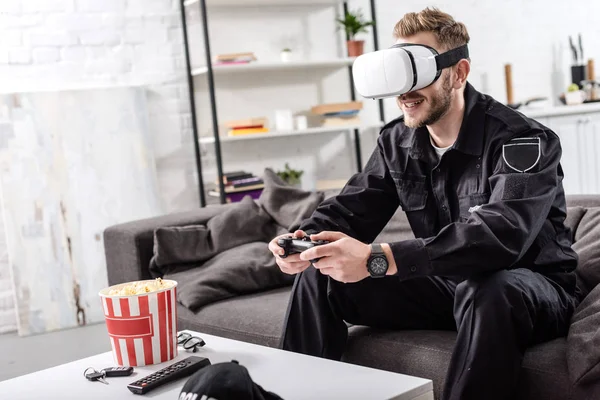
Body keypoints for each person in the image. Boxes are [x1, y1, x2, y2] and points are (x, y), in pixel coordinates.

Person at [267, 7, 582, 400]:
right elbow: (352, 208)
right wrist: (302, 243)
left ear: (459, 73)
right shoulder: (396, 141)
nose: (403, 92)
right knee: (320, 273)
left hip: (529, 290)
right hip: (446, 285)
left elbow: (501, 235)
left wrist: (377, 258)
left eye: (418, 72)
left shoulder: (521, 140)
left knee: (489, 288)